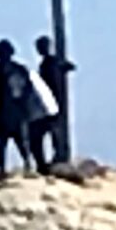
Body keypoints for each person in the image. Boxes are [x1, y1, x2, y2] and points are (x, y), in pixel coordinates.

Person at [0, 39, 42, 174]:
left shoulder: (15, 70)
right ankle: (6, 169)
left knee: (19, 142)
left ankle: (26, 166)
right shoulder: (5, 69)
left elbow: (25, 89)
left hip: (14, 111)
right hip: (9, 111)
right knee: (8, 142)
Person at [33, 36, 72, 164]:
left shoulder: (52, 63)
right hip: (48, 103)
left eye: (41, 47)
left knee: (50, 132)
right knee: (43, 133)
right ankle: (46, 161)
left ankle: (56, 158)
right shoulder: (46, 64)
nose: (40, 50)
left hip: (53, 103)